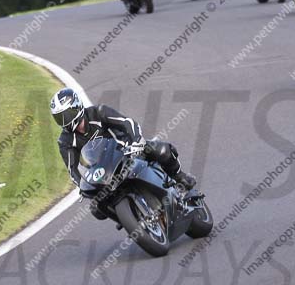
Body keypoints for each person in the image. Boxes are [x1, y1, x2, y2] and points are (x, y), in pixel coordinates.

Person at [51, 87, 196, 217]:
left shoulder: (98, 112)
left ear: (76, 107)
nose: (65, 121)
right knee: (96, 209)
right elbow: (73, 169)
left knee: (162, 151)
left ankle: (179, 176)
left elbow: (127, 123)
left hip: (127, 151)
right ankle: (130, 218)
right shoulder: (65, 141)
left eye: (66, 115)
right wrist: (83, 187)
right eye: (59, 118)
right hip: (104, 172)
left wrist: (136, 141)